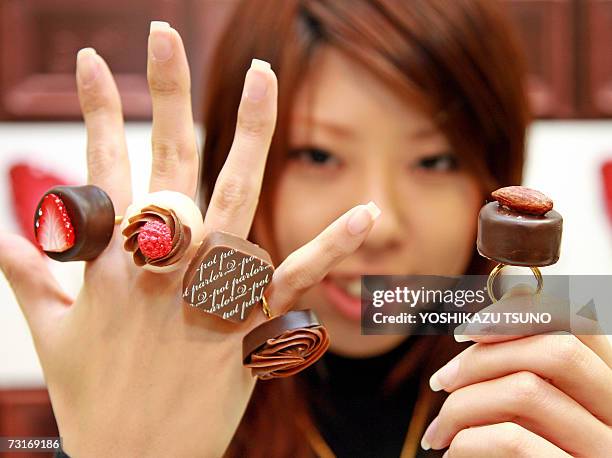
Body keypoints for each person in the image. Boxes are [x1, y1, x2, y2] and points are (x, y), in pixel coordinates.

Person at [0, 0, 610, 457]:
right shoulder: (146, 400)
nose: (379, 226)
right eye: (318, 156)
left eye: (437, 160)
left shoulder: (560, 388)